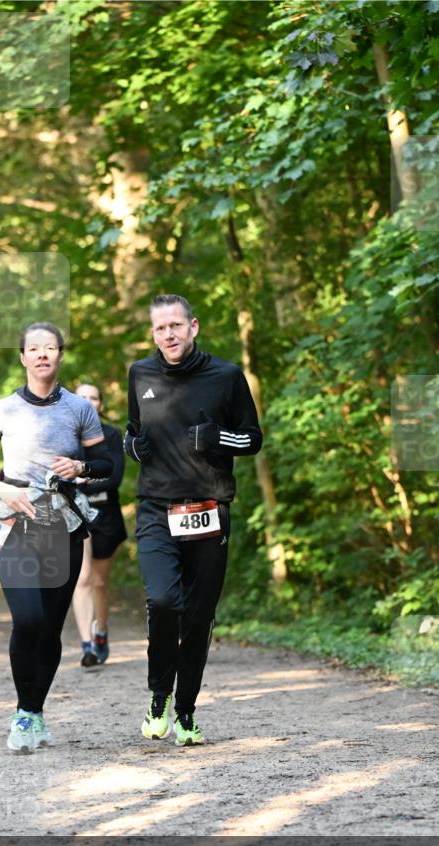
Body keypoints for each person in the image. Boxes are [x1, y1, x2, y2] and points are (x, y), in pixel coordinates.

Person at [0, 323, 112, 754]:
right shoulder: (2, 410)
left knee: (49, 629)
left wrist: (80, 468)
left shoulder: (80, 408)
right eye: (34, 348)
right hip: (14, 527)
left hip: (61, 527)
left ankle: (32, 711)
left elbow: (105, 463)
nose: (42, 354)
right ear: (24, 358)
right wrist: (0, 487)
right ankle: (25, 713)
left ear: (60, 355)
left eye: (50, 348)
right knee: (26, 620)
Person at [125, 294, 262, 747]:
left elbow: (253, 439)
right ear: (153, 334)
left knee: (199, 617)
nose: (169, 334)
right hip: (156, 509)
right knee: (164, 601)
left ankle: (185, 711)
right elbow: (132, 432)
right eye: (161, 328)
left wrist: (216, 438)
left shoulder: (225, 376)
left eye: (176, 326)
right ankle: (159, 695)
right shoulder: (140, 374)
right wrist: (134, 448)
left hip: (208, 510)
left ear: (193, 327)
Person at [72, 382, 127, 667]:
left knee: (100, 582)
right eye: (82, 397)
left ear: (100, 405)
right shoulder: (65, 432)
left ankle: (101, 632)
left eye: (94, 397)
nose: (88, 402)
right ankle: (87, 645)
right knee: (81, 579)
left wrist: (82, 479)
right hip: (74, 513)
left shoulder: (111, 435)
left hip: (105, 513)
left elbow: (114, 478)